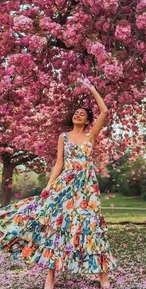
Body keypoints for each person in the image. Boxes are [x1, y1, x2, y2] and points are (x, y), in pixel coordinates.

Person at [0, 81, 117, 289]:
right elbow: (59, 163)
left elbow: (105, 110)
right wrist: (49, 185)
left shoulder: (91, 136)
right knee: (57, 226)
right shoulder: (63, 136)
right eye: (76, 113)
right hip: (65, 186)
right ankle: (49, 279)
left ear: (89, 120)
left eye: (83, 114)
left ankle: (103, 277)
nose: (78, 115)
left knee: (92, 226)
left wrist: (90, 88)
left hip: (87, 188)